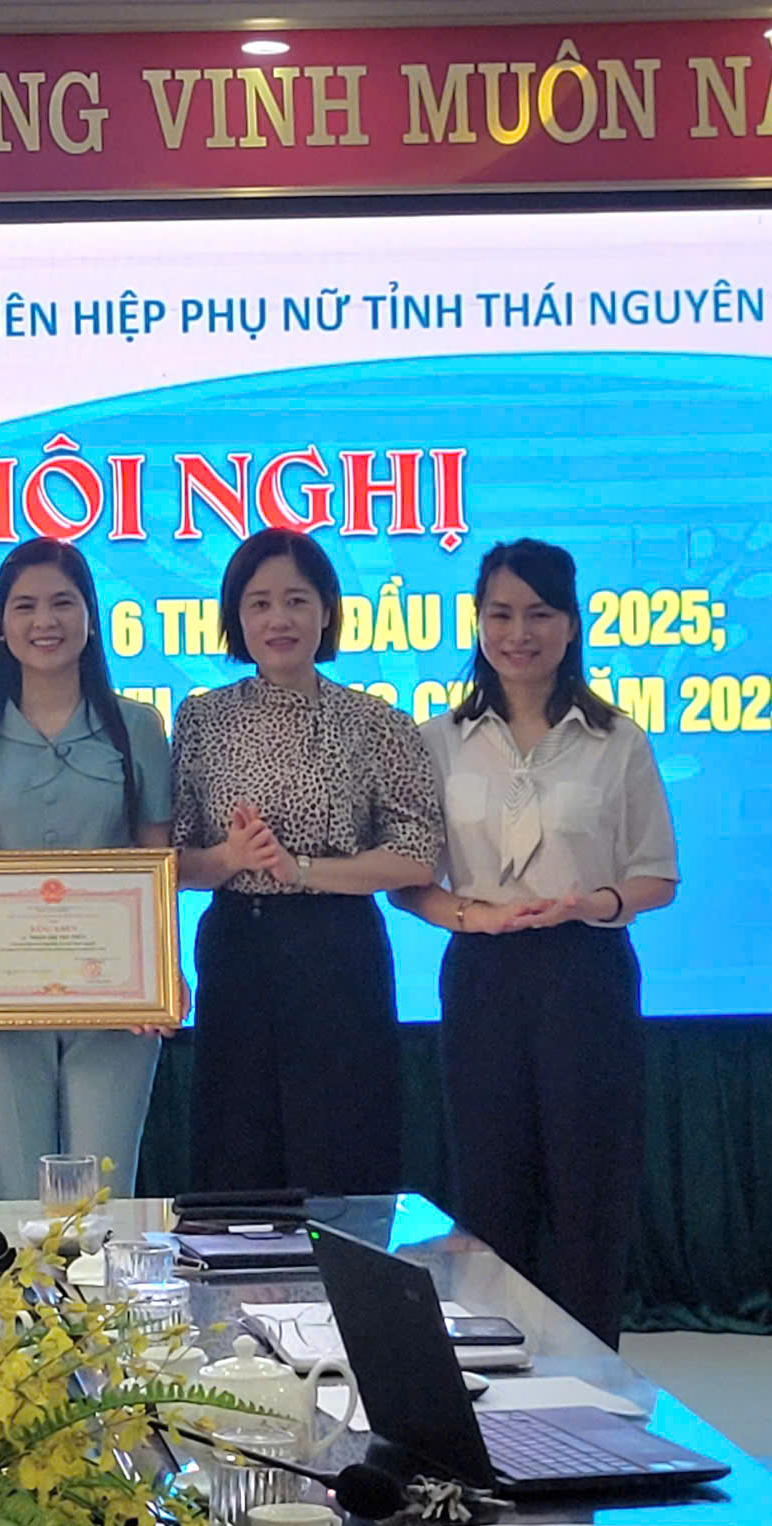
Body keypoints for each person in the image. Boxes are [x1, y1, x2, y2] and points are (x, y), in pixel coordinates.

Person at [391, 540, 678, 1345]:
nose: (519, 633)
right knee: (491, 1190)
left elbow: (657, 875)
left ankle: (593, 1376)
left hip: (586, 969)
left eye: (540, 614)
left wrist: (596, 902)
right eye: (502, 614)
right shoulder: (436, 739)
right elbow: (408, 880)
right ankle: (500, 1375)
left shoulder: (617, 739)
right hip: (482, 971)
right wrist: (467, 915)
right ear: (478, 622)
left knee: (591, 1190)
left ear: (571, 624)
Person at [171, 527, 442, 1194]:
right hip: (236, 945)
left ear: (326, 610)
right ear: (237, 617)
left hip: (337, 947)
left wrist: (304, 871)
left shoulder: (374, 721)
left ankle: (343, 1266)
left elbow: (418, 855)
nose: (279, 619)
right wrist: (231, 857)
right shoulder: (203, 719)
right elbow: (171, 863)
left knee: (343, 1151)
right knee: (237, 1152)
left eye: (296, 600)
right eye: (259, 603)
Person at [0, 538, 175, 1200]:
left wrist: (163, 975)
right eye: (26, 606)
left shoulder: (138, 726)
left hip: (115, 997)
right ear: (0, 626)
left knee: (99, 1194)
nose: (46, 621)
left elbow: (156, 859)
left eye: (63, 603)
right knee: (12, 1193)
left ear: (91, 618)